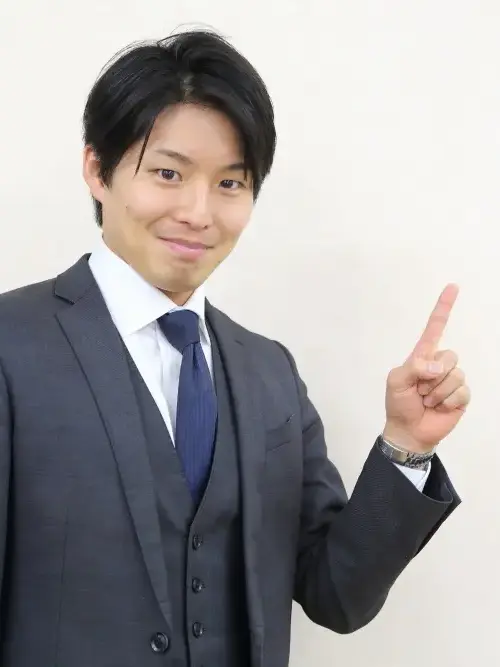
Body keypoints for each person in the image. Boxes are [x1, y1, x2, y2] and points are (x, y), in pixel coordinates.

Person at [0, 29, 470, 667]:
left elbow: (338, 596)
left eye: (230, 183)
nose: (199, 212)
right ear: (97, 170)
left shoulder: (269, 372)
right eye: (168, 173)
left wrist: (406, 446)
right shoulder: (12, 345)